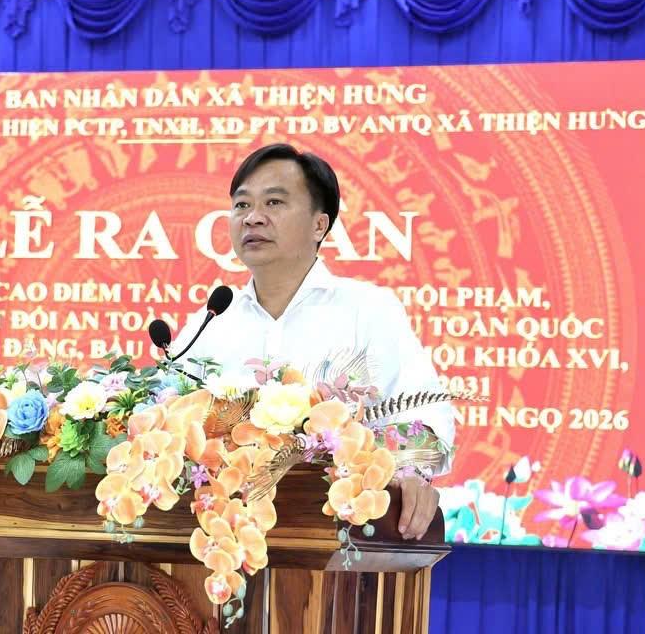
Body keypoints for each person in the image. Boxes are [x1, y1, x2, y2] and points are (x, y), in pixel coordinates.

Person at [172, 143, 454, 541]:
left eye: (273, 202)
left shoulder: (367, 310)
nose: (252, 217)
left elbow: (427, 415)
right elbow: (166, 419)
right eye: (242, 205)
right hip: (219, 540)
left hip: (338, 538)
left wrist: (409, 472)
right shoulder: (212, 321)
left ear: (319, 226)